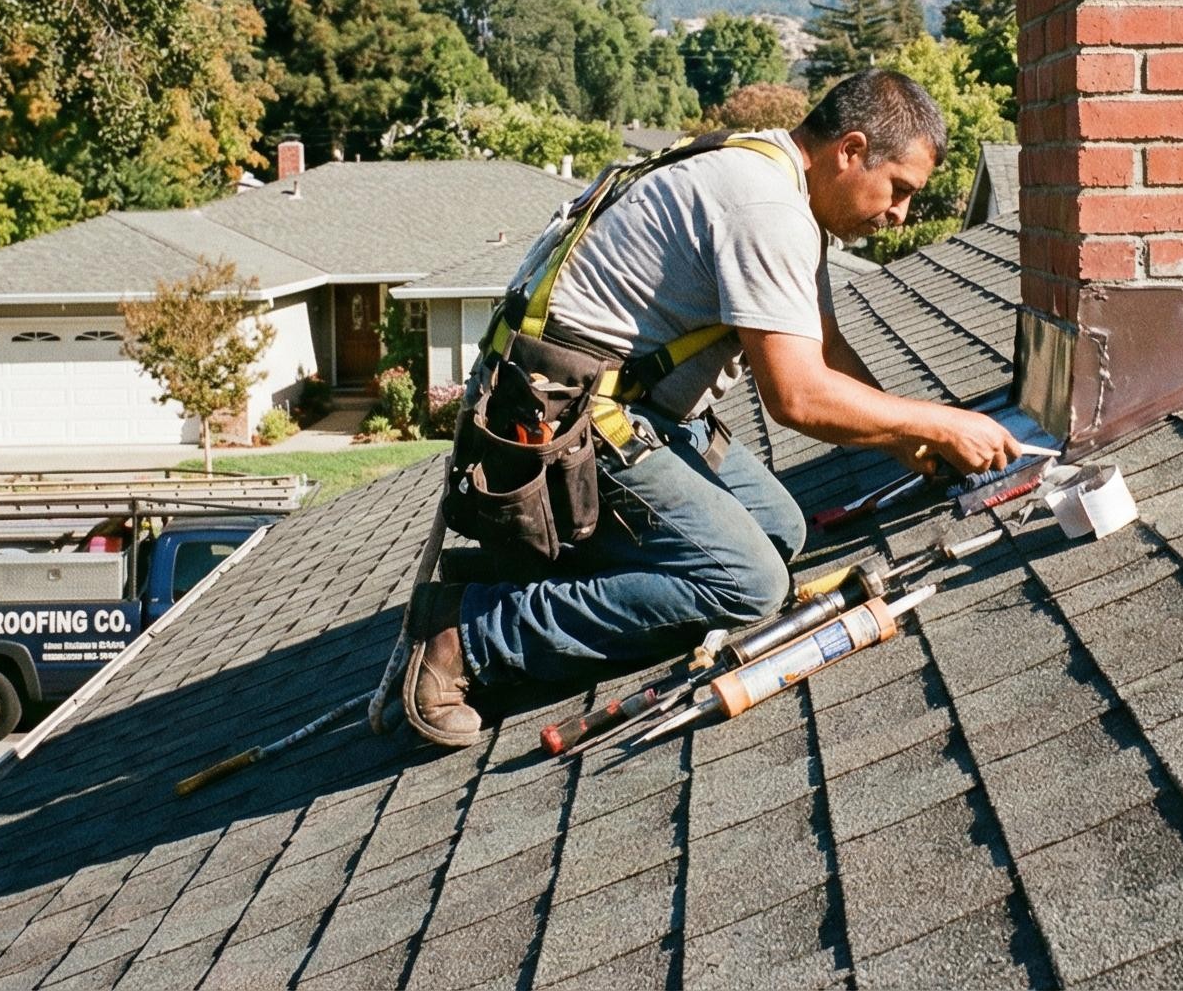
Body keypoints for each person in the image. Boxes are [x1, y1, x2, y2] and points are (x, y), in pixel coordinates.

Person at [401, 69, 1021, 746]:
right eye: (899, 190)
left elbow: (825, 343)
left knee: (781, 532)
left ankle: (539, 571)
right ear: (850, 149)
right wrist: (939, 421)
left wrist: (903, 439)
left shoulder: (769, 171)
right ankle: (467, 638)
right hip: (561, 425)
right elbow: (799, 397)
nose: (899, 214)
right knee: (747, 581)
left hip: (612, 407)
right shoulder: (766, 206)